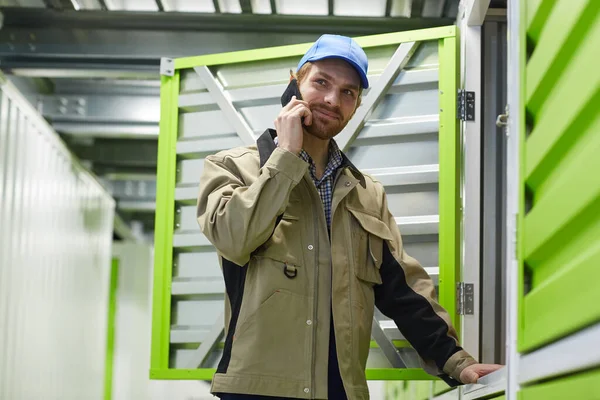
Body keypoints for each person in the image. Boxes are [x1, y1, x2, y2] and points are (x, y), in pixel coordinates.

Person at [196, 34, 501, 400]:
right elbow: (234, 238)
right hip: (257, 390)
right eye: (321, 82)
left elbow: (402, 290)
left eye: (348, 93)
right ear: (295, 84)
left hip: (342, 392)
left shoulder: (366, 193)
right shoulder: (232, 167)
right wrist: (287, 157)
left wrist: (456, 361)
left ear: (355, 106)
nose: (331, 100)